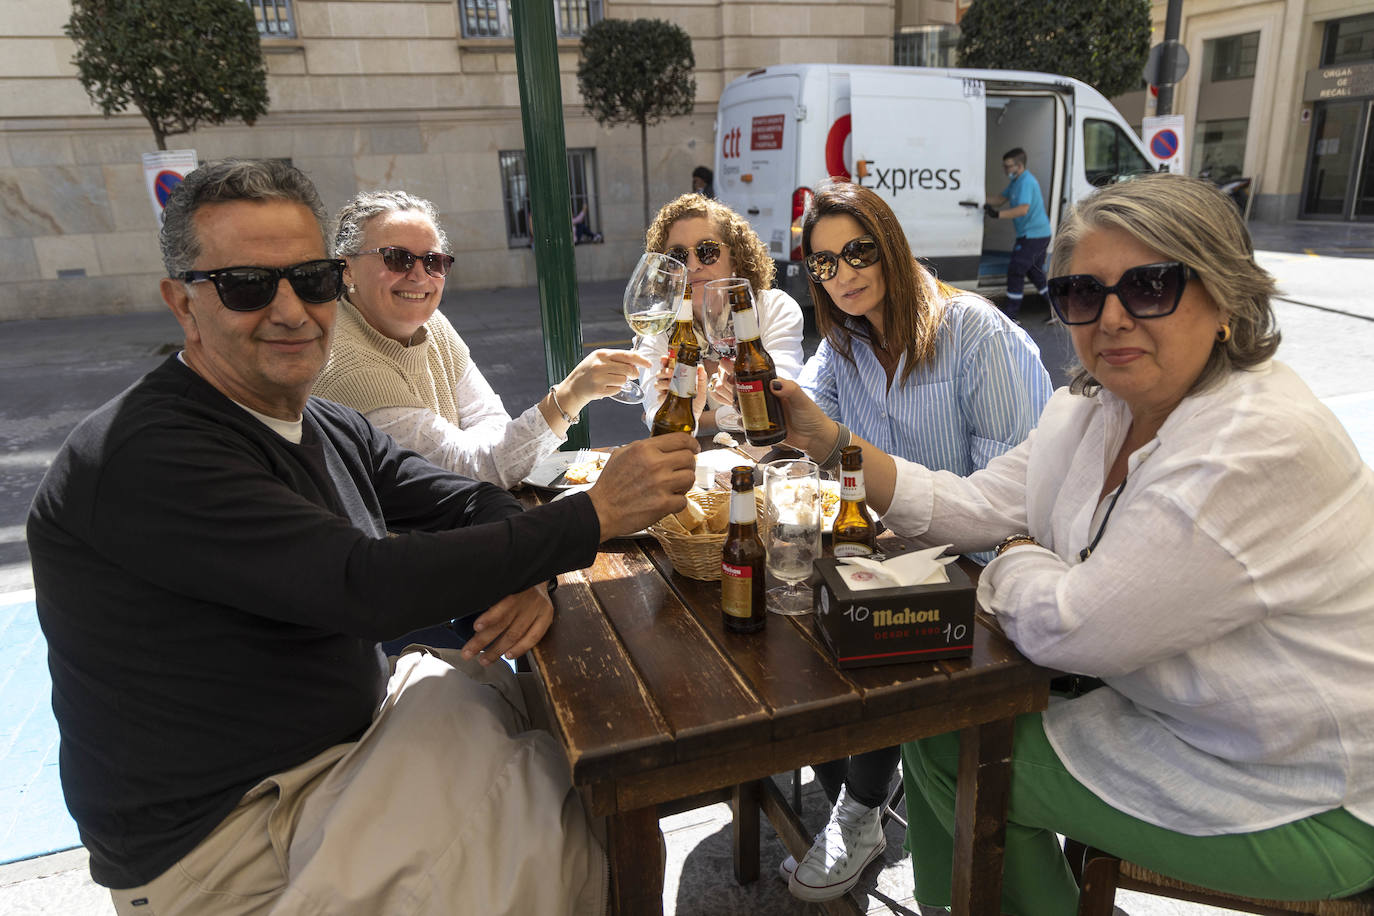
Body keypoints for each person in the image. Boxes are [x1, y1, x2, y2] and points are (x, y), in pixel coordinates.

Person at [26, 158, 700, 916]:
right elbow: (365, 584)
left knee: (572, 764)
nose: (290, 311)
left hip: (343, 756)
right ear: (183, 304)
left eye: (309, 280)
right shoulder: (148, 452)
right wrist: (593, 518)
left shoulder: (321, 419)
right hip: (235, 840)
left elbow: (472, 498)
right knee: (575, 826)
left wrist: (534, 574)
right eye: (248, 285)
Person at [771, 173, 1374, 913]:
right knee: (937, 730)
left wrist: (1018, 555)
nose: (1112, 318)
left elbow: (1075, 628)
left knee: (964, 754)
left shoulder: (1250, 443)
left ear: (1224, 298)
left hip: (1308, 788)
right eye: (1084, 295)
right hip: (1188, 720)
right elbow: (977, 500)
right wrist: (833, 443)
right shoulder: (1096, 408)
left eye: (1151, 285)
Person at [782, 181, 1053, 903]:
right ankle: (861, 786)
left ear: (892, 246)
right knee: (791, 614)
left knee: (866, 644)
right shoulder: (846, 342)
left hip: (988, 573)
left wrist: (837, 452)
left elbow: (1011, 502)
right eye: (823, 264)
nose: (841, 274)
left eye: (857, 252)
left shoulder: (977, 333)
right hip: (895, 554)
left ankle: (863, 810)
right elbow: (807, 424)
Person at [313, 189, 641, 489]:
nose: (418, 275)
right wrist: (568, 397)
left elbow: (488, 419)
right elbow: (473, 469)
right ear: (347, 269)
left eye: (432, 261)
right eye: (396, 258)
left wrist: (486, 453)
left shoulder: (431, 323)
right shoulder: (346, 364)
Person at [640, 193, 806, 435]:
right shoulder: (659, 325)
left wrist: (708, 417)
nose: (692, 265)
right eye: (678, 256)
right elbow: (656, 417)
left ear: (736, 259)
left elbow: (783, 402)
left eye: (707, 251)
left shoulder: (773, 309)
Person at [985, 147, 1053, 321]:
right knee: (1035, 273)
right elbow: (1000, 199)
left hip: (1034, 235)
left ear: (1019, 165)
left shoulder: (1026, 182)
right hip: (1033, 234)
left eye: (1008, 166)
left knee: (1016, 270)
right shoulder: (1016, 181)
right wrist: (979, 198)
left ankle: (1011, 316)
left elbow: (1023, 209)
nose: (1005, 170)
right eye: (1004, 166)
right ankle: (1057, 309)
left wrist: (997, 215)